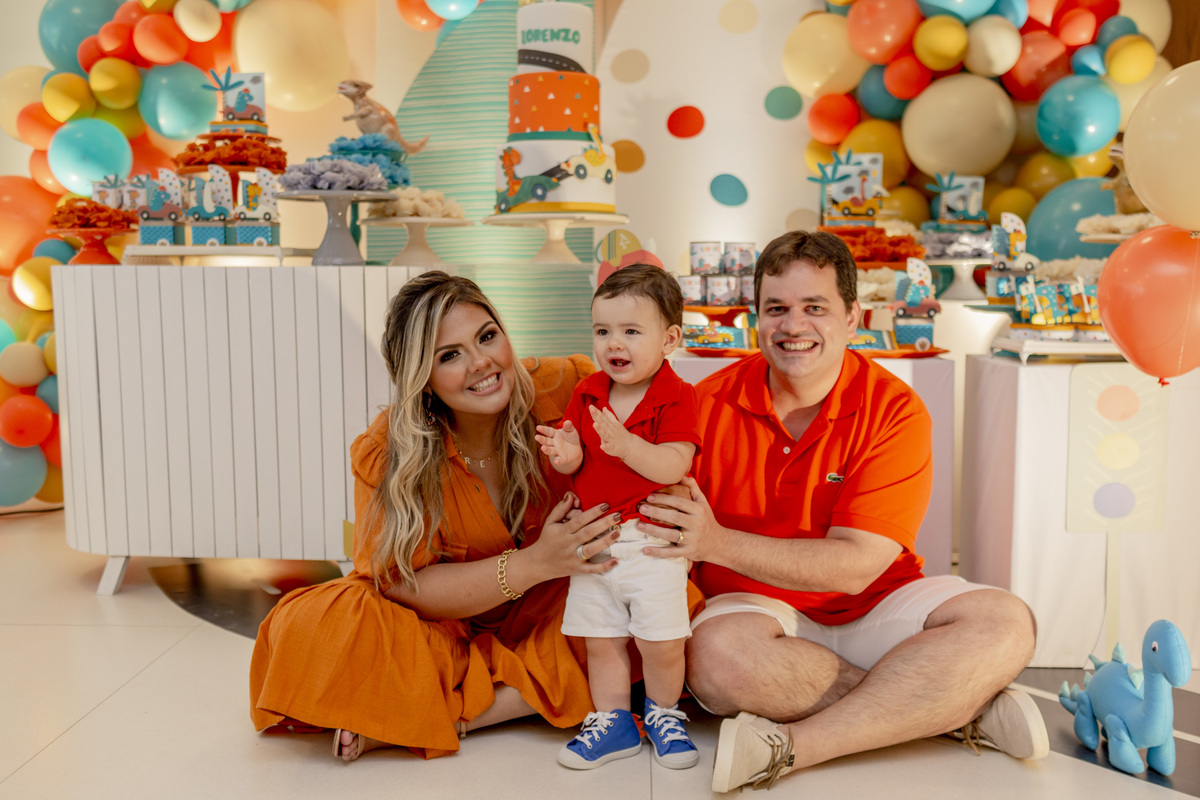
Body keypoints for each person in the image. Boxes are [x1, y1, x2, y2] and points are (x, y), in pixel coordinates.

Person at [636, 231, 1048, 792]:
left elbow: (857, 566)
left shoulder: (895, 410)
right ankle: (957, 710)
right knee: (713, 660)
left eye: (815, 308)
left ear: (853, 317)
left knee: (1006, 621)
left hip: (876, 605)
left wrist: (717, 542)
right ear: (755, 318)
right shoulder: (703, 405)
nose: (793, 326)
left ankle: (795, 749)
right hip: (754, 612)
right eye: (776, 309)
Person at [249, 271, 636, 761]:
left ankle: (432, 716)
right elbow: (398, 583)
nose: (481, 363)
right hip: (443, 628)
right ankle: (460, 704)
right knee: (316, 622)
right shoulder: (388, 449)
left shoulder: (568, 386)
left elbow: (659, 422)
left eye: (487, 336)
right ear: (423, 381)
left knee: (651, 593)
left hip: (556, 610)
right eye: (449, 355)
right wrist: (534, 562)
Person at [536, 265, 701, 770]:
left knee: (661, 641)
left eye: (631, 331)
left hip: (650, 542)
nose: (614, 343)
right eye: (603, 330)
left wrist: (628, 445)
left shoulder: (678, 395)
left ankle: (664, 714)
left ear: (669, 339)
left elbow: (674, 464)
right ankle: (613, 723)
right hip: (597, 541)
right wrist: (567, 456)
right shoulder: (589, 391)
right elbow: (576, 463)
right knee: (601, 640)